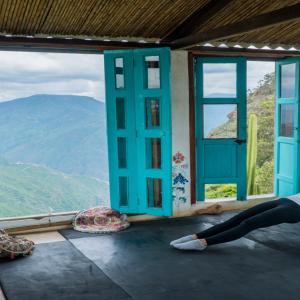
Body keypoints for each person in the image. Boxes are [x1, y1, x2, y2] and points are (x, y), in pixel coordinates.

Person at [170, 195, 300, 251]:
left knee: (249, 223)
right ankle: (196, 236)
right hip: (286, 200)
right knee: (237, 218)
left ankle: (203, 243)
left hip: (296, 209)